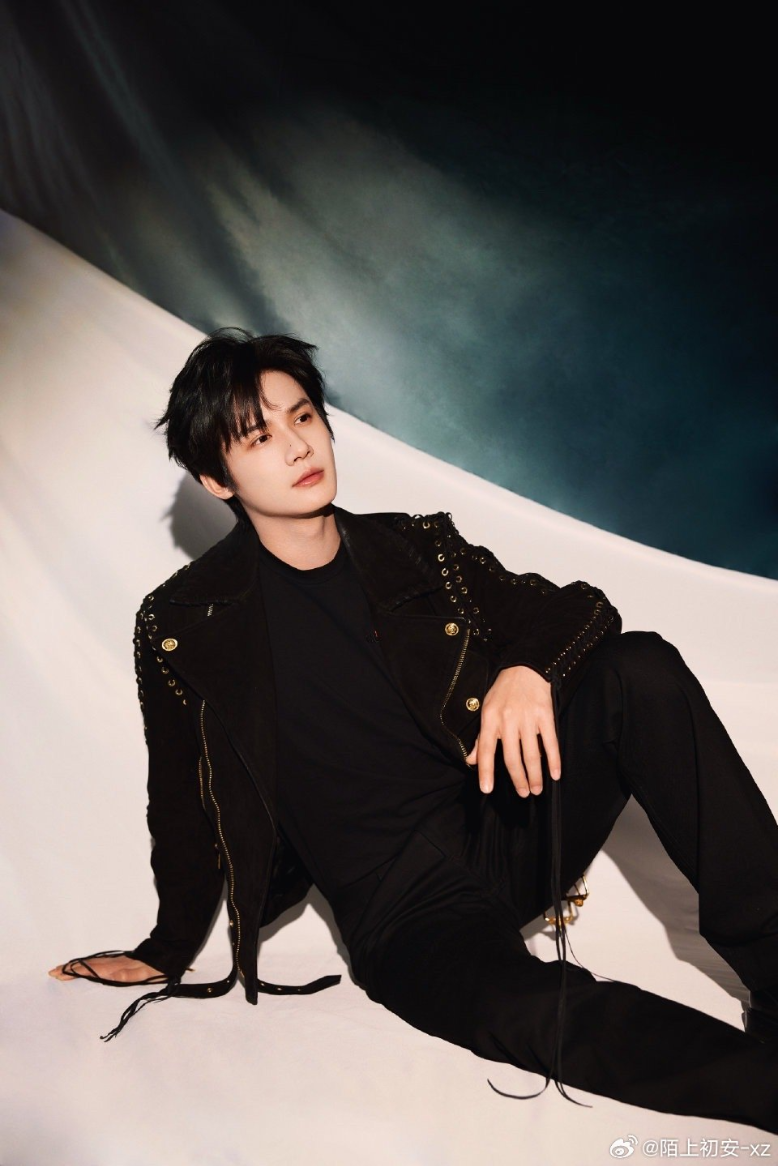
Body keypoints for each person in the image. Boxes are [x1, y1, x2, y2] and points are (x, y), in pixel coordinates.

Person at [49, 329, 778, 1133]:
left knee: (640, 668)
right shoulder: (183, 624)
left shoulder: (418, 548)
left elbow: (580, 609)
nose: (298, 446)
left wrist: (527, 669)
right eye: (259, 437)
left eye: (303, 416)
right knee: (537, 1016)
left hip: (506, 827)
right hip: (403, 913)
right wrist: (164, 947)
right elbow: (181, 800)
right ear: (217, 479)